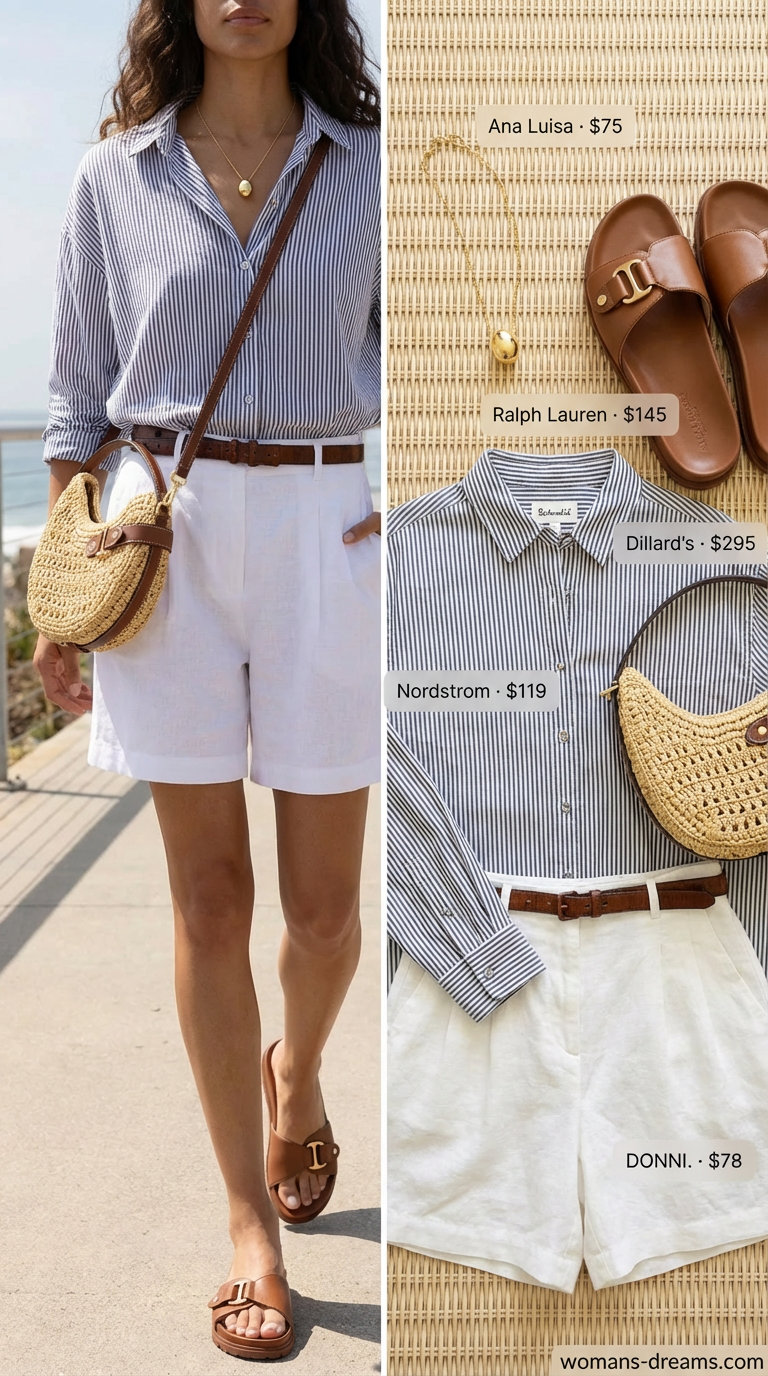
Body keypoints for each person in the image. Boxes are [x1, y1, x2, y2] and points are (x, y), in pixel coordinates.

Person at [33, 0, 380, 1359]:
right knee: (208, 897)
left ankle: (297, 1076)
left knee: (326, 910)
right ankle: (249, 1223)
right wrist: (60, 588)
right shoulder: (109, 179)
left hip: (327, 531)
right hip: (158, 535)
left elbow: (435, 350)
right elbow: (75, 399)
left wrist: (393, 517)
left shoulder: (367, 164)